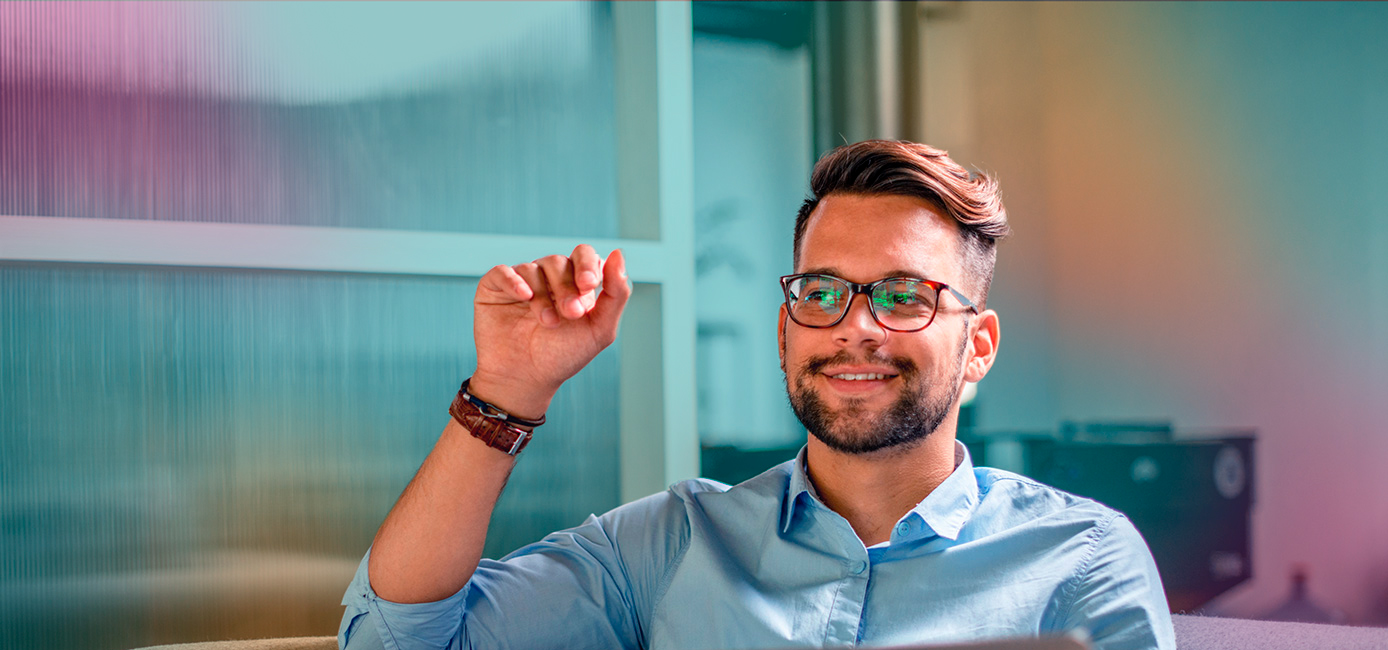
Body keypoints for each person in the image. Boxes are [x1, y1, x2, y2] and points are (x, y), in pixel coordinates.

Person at [338, 140, 1176, 650]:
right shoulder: (671, 546)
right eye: (821, 293)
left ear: (977, 347)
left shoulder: (1083, 558)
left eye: (902, 295)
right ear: (785, 333)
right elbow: (396, 640)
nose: (857, 328)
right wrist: (507, 391)